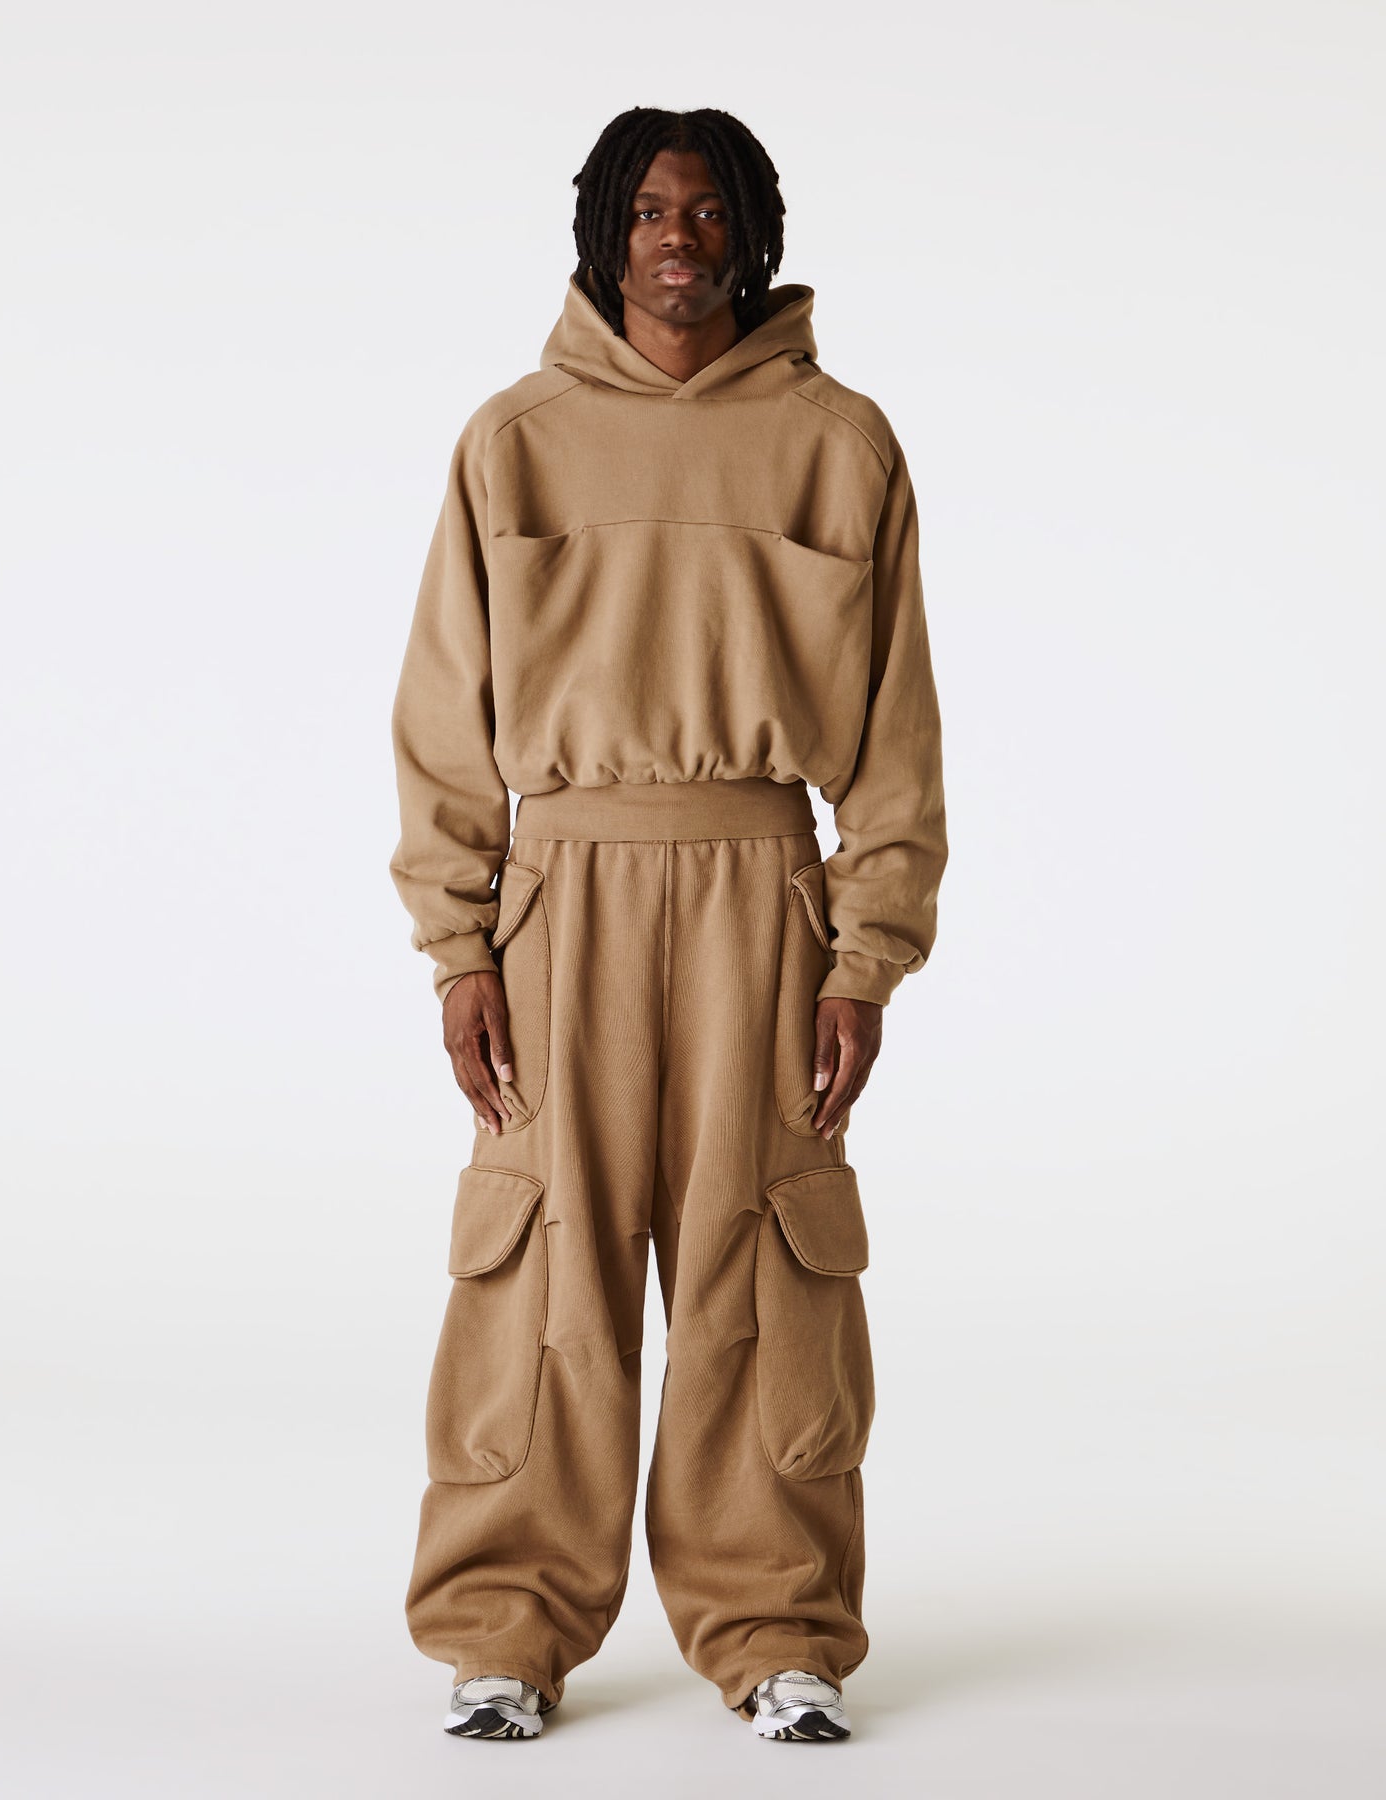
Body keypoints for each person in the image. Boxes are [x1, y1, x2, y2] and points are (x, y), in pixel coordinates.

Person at [387, 104, 948, 1743]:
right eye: (647, 210)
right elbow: (443, 717)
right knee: (543, 1260)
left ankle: (777, 1630)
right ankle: (506, 1630)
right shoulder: (514, 440)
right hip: (561, 895)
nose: (678, 240)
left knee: (761, 1261)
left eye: (707, 211)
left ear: (751, 231)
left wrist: (867, 955)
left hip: (764, 895)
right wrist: (459, 945)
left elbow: (898, 735)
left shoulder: (841, 443)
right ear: (603, 233)